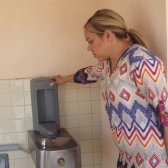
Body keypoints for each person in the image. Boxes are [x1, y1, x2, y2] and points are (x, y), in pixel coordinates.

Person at [53, 9, 168, 168]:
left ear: (108, 35)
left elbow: (165, 110)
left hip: (151, 160)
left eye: (90, 41)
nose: (88, 48)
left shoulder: (141, 61)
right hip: (127, 158)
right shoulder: (109, 65)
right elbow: (86, 75)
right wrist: (63, 79)